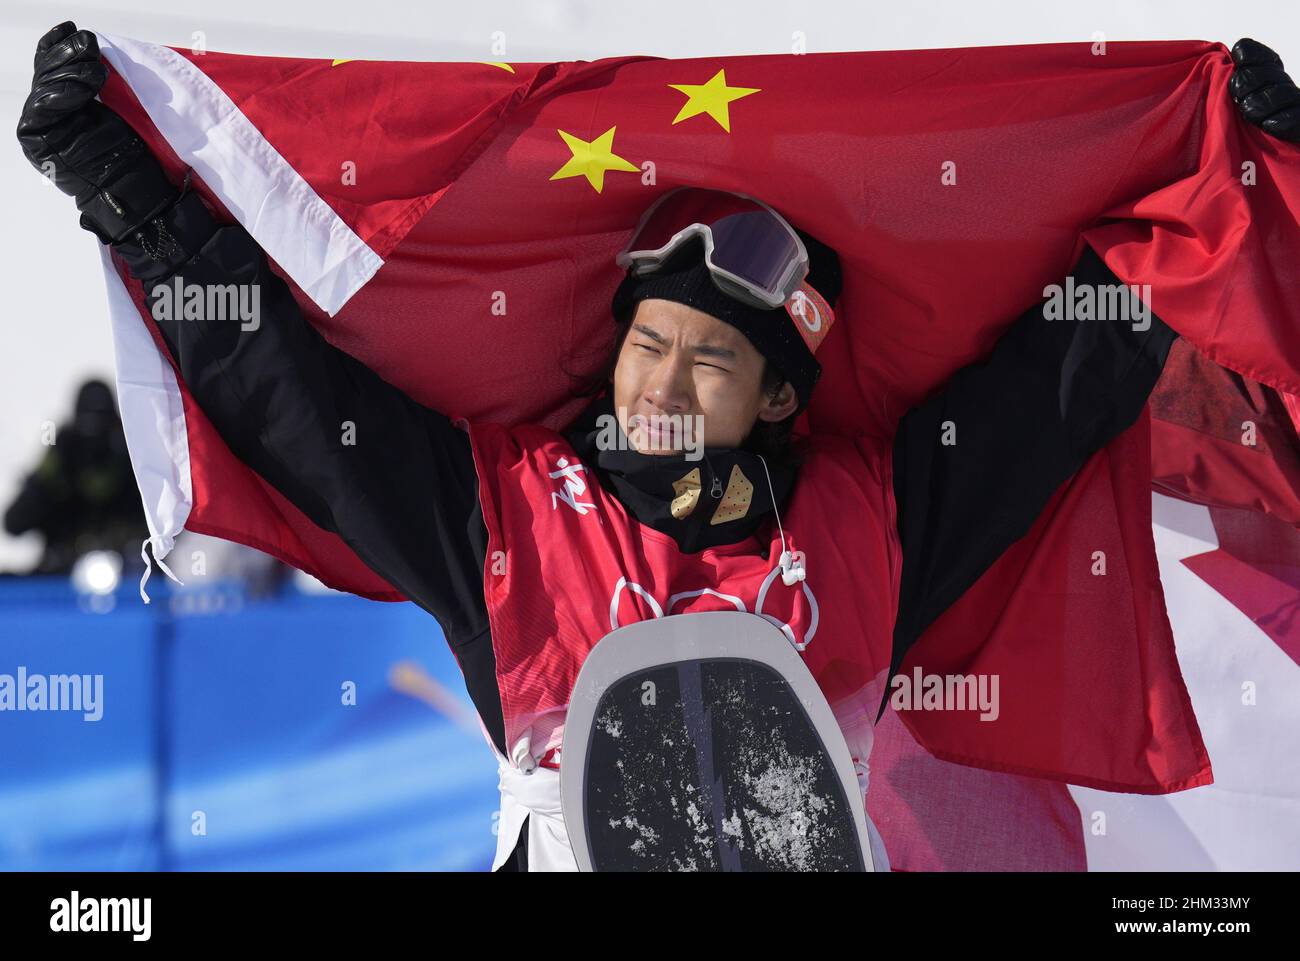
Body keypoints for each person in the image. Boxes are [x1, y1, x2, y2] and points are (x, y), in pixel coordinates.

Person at [17, 22, 1300, 871]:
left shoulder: (875, 522)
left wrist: (1226, 179)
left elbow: (1061, 380)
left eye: (712, 357)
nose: (662, 383)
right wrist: (134, 203)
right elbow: (286, 396)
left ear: (780, 397)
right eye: (649, 342)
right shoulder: (503, 518)